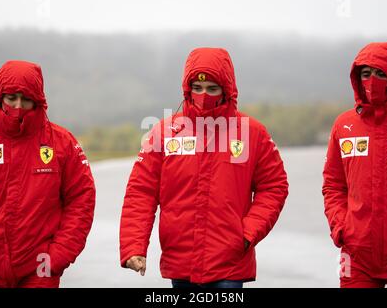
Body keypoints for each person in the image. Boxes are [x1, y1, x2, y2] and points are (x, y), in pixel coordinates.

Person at [120, 47, 288, 288]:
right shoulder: (165, 133)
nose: (203, 95)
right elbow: (141, 192)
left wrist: (246, 233)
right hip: (181, 262)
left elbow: (274, 187)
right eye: (197, 88)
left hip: (229, 264)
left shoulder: (252, 133)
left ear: (227, 89)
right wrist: (134, 246)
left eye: (212, 88)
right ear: (187, 89)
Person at [0, 60, 96, 288]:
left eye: (26, 99)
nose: (18, 106)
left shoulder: (61, 143)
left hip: (39, 272)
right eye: (11, 98)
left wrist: (57, 257)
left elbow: (82, 200)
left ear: (38, 100)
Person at [323, 42, 387, 288]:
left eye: (380, 73)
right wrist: (341, 227)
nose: (372, 80)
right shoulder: (344, 125)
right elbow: (333, 185)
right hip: (357, 257)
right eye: (366, 74)